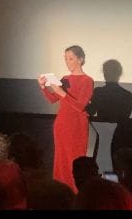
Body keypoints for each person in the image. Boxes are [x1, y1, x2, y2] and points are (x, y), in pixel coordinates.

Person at [39, 45, 94, 192]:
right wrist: (43, 87)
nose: (67, 62)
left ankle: (76, 194)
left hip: (77, 127)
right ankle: (60, 194)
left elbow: (80, 106)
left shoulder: (87, 81)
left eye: (70, 59)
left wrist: (61, 92)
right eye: (65, 59)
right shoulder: (65, 79)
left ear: (80, 59)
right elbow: (53, 99)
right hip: (62, 126)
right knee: (61, 161)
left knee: (75, 161)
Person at [86, 59, 132, 159]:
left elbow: (90, 111)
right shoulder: (126, 95)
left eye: (107, 71)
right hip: (116, 136)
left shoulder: (99, 92)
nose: (106, 74)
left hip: (107, 135)